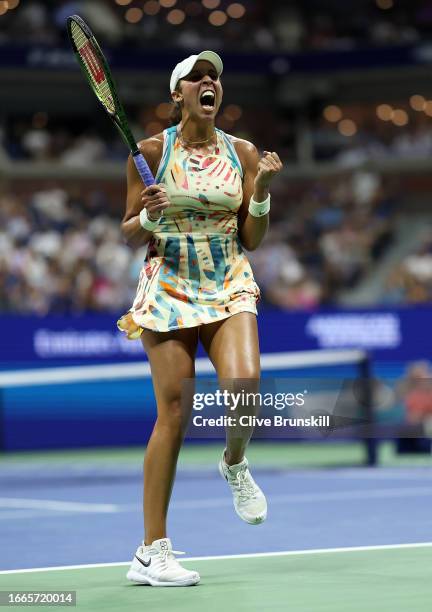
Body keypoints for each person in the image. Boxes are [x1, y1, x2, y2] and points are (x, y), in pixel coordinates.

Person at [117, 51, 283, 587]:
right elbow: (128, 230)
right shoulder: (147, 153)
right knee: (174, 413)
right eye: (198, 78)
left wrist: (259, 195)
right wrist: (147, 213)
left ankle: (234, 463)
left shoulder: (243, 153)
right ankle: (151, 551)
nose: (209, 83)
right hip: (169, 282)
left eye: (215, 78)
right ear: (178, 93)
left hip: (227, 276)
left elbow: (252, 238)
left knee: (245, 382)